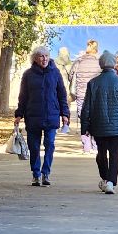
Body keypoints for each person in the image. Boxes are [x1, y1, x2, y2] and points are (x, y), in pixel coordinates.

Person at [80, 50, 118, 194]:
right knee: (115, 155)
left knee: (101, 154)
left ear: (101, 65)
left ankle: (106, 179)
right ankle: (111, 182)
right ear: (114, 64)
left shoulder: (93, 83)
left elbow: (86, 107)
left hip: (99, 126)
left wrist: (84, 127)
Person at [14, 45, 70, 187]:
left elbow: (62, 95)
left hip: (51, 115)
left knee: (50, 144)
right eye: (41, 56)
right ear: (35, 59)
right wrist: (19, 114)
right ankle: (35, 174)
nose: (44, 59)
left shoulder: (55, 73)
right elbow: (23, 96)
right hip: (33, 116)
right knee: (34, 146)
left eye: (46, 56)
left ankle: (46, 173)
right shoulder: (28, 74)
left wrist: (65, 114)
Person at [69, 39, 102, 153]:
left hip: (81, 94)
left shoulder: (79, 61)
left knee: (83, 117)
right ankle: (95, 144)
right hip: (96, 95)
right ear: (96, 49)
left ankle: (86, 144)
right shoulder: (100, 62)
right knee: (96, 118)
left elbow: (70, 76)